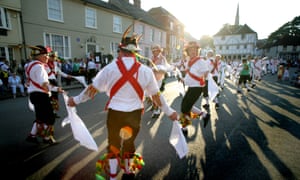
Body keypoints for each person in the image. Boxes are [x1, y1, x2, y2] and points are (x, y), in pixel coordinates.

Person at [67, 26, 178, 179]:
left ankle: (113, 176)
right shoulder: (146, 71)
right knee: (129, 143)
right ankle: (127, 172)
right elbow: (156, 96)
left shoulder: (109, 68)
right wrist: (169, 112)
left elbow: (92, 89)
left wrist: (75, 100)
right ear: (136, 52)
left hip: (115, 113)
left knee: (113, 143)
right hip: (134, 114)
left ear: (121, 50)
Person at [25, 45, 64, 144]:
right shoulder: (40, 67)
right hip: (41, 95)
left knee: (40, 117)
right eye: (45, 55)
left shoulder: (29, 65)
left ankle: (32, 135)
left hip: (33, 94)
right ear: (38, 56)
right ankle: (47, 138)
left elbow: (29, 81)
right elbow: (44, 84)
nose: (47, 57)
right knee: (49, 118)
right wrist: (56, 89)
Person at [179, 41, 210, 136]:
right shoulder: (190, 61)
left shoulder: (201, 61)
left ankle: (184, 128)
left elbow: (206, 72)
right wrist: (184, 79)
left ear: (198, 51)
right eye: (191, 50)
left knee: (184, 107)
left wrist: (202, 79)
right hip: (191, 87)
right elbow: (190, 74)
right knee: (187, 106)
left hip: (196, 88)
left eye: (195, 50)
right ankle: (204, 115)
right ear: (188, 52)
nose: (193, 51)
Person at [47, 51, 71, 118]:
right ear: (49, 57)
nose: (54, 58)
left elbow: (59, 72)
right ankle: (49, 113)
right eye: (53, 57)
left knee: (55, 98)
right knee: (49, 98)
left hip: (54, 81)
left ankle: (53, 113)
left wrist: (67, 76)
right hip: (48, 82)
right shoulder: (45, 64)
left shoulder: (54, 64)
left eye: (55, 57)